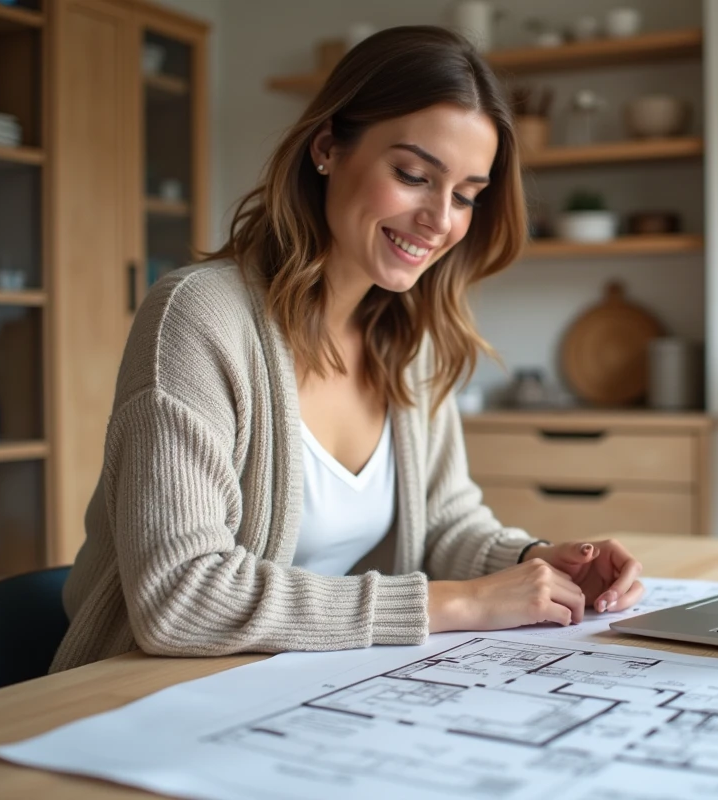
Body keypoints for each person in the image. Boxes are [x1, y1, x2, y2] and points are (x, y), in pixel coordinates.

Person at [51, 25, 645, 673]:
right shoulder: (200, 317)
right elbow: (181, 597)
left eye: (468, 196)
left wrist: (535, 560)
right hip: (138, 699)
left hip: (294, 687)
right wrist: (458, 603)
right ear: (327, 147)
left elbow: (445, 523)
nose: (441, 219)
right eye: (414, 174)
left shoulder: (413, 339)